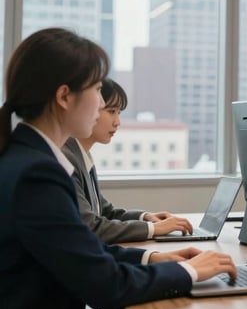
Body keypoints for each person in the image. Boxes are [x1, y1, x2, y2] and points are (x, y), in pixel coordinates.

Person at [0, 28, 236, 309]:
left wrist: (154, 258)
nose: (101, 104)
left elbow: (80, 252)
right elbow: (106, 284)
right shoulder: (36, 174)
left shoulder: (25, 158)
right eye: (98, 89)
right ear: (64, 96)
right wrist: (188, 272)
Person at [62, 78, 193, 243]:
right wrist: (154, 229)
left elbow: (105, 213)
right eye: (111, 111)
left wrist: (146, 218)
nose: (117, 122)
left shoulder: (81, 155)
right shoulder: (67, 158)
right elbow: (91, 226)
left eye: (119, 113)